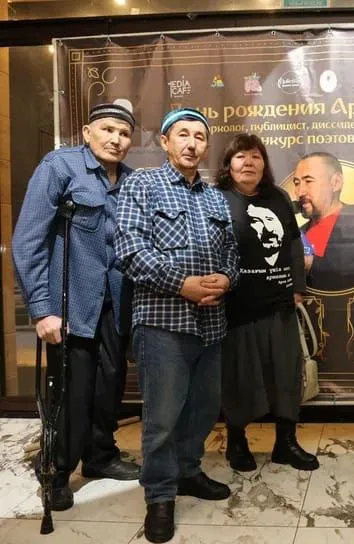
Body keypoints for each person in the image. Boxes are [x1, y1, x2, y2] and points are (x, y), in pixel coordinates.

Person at [115, 108, 239, 544]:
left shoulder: (215, 197)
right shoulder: (142, 185)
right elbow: (129, 249)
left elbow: (231, 253)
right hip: (162, 323)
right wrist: (181, 284)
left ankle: (188, 471)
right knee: (163, 418)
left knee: (203, 409)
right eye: (182, 134)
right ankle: (160, 495)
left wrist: (226, 278)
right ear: (165, 141)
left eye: (199, 136)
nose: (191, 143)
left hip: (211, 323)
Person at [13, 101, 141, 511]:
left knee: (109, 386)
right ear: (87, 132)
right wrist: (41, 308)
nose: (115, 139)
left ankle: (100, 456)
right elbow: (28, 240)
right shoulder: (60, 166)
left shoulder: (131, 181)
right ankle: (56, 469)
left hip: (116, 305)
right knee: (71, 392)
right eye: (107, 129)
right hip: (70, 304)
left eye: (124, 133)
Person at [216, 133, 319, 473]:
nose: (249, 162)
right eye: (240, 156)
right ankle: (237, 442)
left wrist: (298, 286)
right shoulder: (217, 199)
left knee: (285, 376)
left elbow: (293, 243)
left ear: (264, 164)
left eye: (256, 156)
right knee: (240, 377)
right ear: (228, 165)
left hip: (280, 304)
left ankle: (285, 444)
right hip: (238, 307)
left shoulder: (278, 197)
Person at [292, 151, 354, 291]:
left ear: (336, 183)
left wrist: (309, 263)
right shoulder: (299, 233)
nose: (300, 192)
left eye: (308, 181)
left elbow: (353, 276)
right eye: (297, 183)